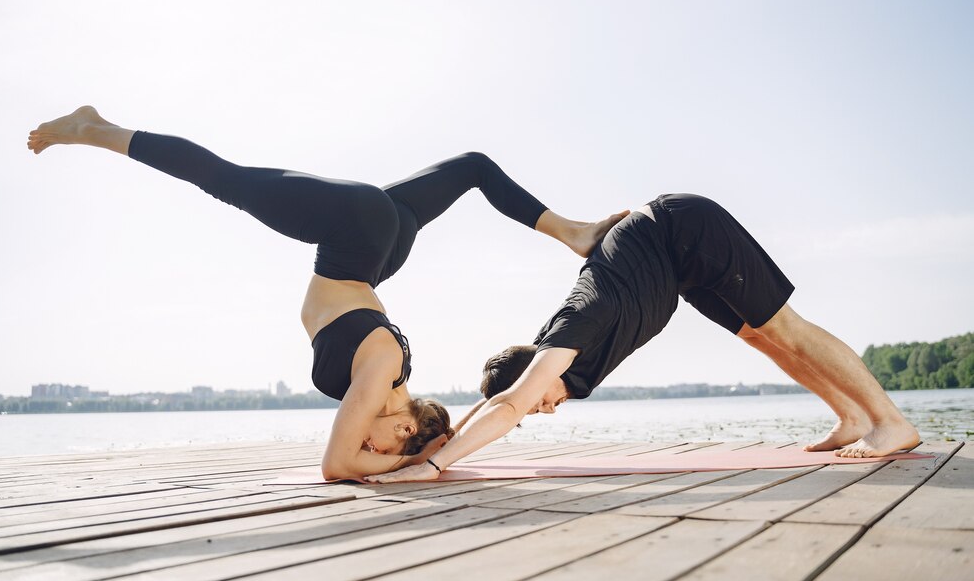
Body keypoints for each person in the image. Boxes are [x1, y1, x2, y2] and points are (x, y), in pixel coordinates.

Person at [27, 106, 626, 480]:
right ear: (406, 427)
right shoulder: (382, 377)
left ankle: (572, 232)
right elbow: (337, 467)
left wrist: (422, 455)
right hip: (357, 235)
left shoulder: (387, 378)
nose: (369, 439)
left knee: (472, 165)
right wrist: (416, 463)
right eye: (386, 441)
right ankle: (96, 130)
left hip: (378, 247)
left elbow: (353, 454)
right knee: (224, 179)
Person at [366, 194, 921, 483]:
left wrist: (433, 468)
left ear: (538, 375)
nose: (548, 410)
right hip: (676, 268)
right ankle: (849, 418)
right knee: (757, 336)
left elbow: (511, 401)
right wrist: (446, 440)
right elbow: (502, 398)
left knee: (784, 328)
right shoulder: (547, 357)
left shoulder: (568, 333)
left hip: (683, 232)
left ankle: (889, 421)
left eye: (540, 405)